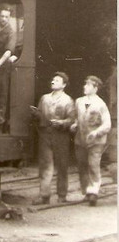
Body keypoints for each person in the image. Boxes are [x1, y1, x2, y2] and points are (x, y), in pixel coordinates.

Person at [30, 72, 76, 205]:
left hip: (61, 135)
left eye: (57, 80)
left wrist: (61, 123)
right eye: (53, 79)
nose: (53, 81)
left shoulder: (68, 100)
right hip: (45, 135)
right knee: (45, 166)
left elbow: (71, 119)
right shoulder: (44, 98)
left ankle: (62, 195)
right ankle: (44, 195)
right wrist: (35, 114)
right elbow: (39, 115)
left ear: (64, 85)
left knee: (62, 165)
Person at [70, 76, 112, 206]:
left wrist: (96, 132)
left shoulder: (101, 104)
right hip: (80, 140)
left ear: (95, 88)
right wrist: (75, 124)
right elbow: (77, 117)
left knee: (93, 165)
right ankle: (86, 192)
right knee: (82, 165)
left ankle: (94, 192)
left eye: (88, 85)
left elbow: (107, 124)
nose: (85, 87)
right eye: (85, 84)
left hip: (96, 141)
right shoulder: (79, 101)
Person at [0, 4, 19, 126]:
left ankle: (0, 120)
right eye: (2, 16)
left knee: (1, 92)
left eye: (6, 17)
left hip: (2, 64)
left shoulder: (11, 32)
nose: (4, 19)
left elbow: (8, 51)